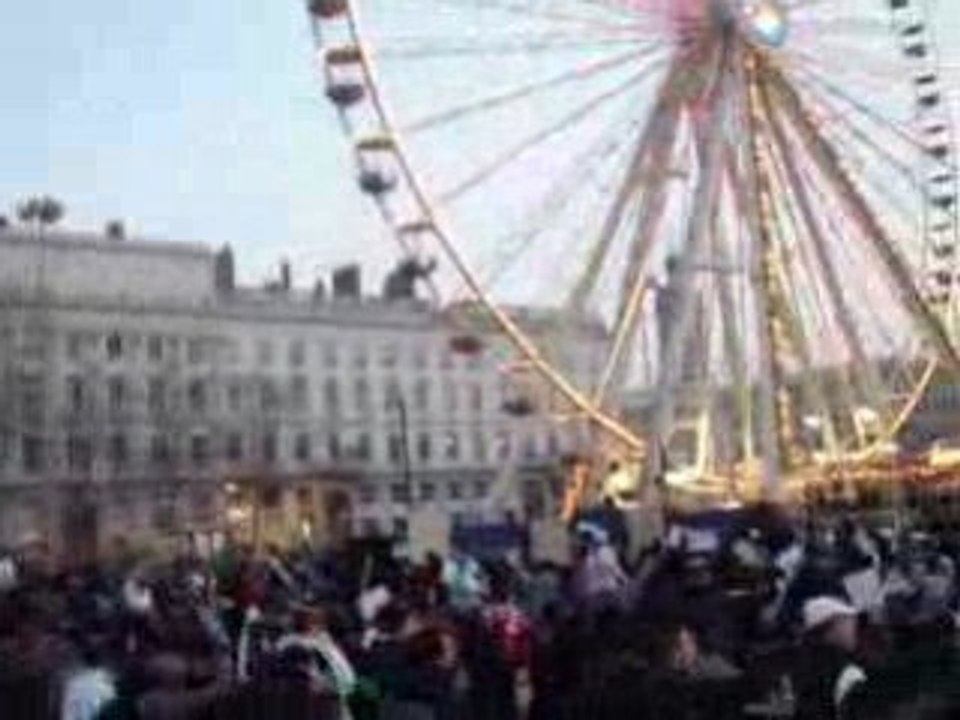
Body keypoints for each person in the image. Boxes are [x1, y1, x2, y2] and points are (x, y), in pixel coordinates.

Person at [793, 597, 870, 720]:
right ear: (833, 626)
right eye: (848, 621)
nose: (854, 628)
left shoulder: (803, 666)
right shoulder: (847, 672)